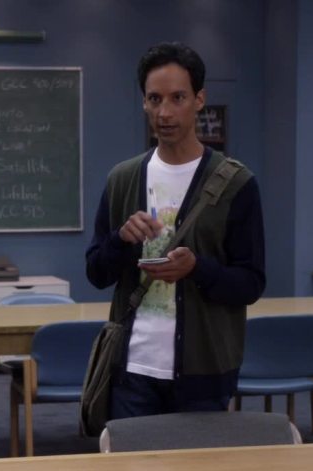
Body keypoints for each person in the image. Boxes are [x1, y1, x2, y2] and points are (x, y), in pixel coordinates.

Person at [85, 42, 265, 419]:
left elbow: (250, 283)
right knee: (129, 459)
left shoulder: (236, 184)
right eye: (155, 99)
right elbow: (96, 273)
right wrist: (120, 241)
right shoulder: (122, 179)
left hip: (204, 371)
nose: (164, 112)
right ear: (144, 103)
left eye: (177, 98)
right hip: (132, 369)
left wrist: (197, 268)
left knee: (200, 462)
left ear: (199, 100)